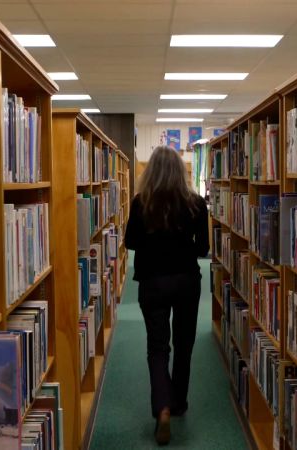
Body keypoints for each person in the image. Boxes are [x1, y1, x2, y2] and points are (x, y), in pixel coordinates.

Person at [124, 145, 209, 445]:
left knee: (158, 347)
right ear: (179, 171)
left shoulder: (139, 203)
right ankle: (178, 403)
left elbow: (130, 243)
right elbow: (203, 250)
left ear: (150, 172)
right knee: (184, 343)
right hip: (187, 281)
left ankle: (161, 406)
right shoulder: (196, 204)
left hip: (153, 283)